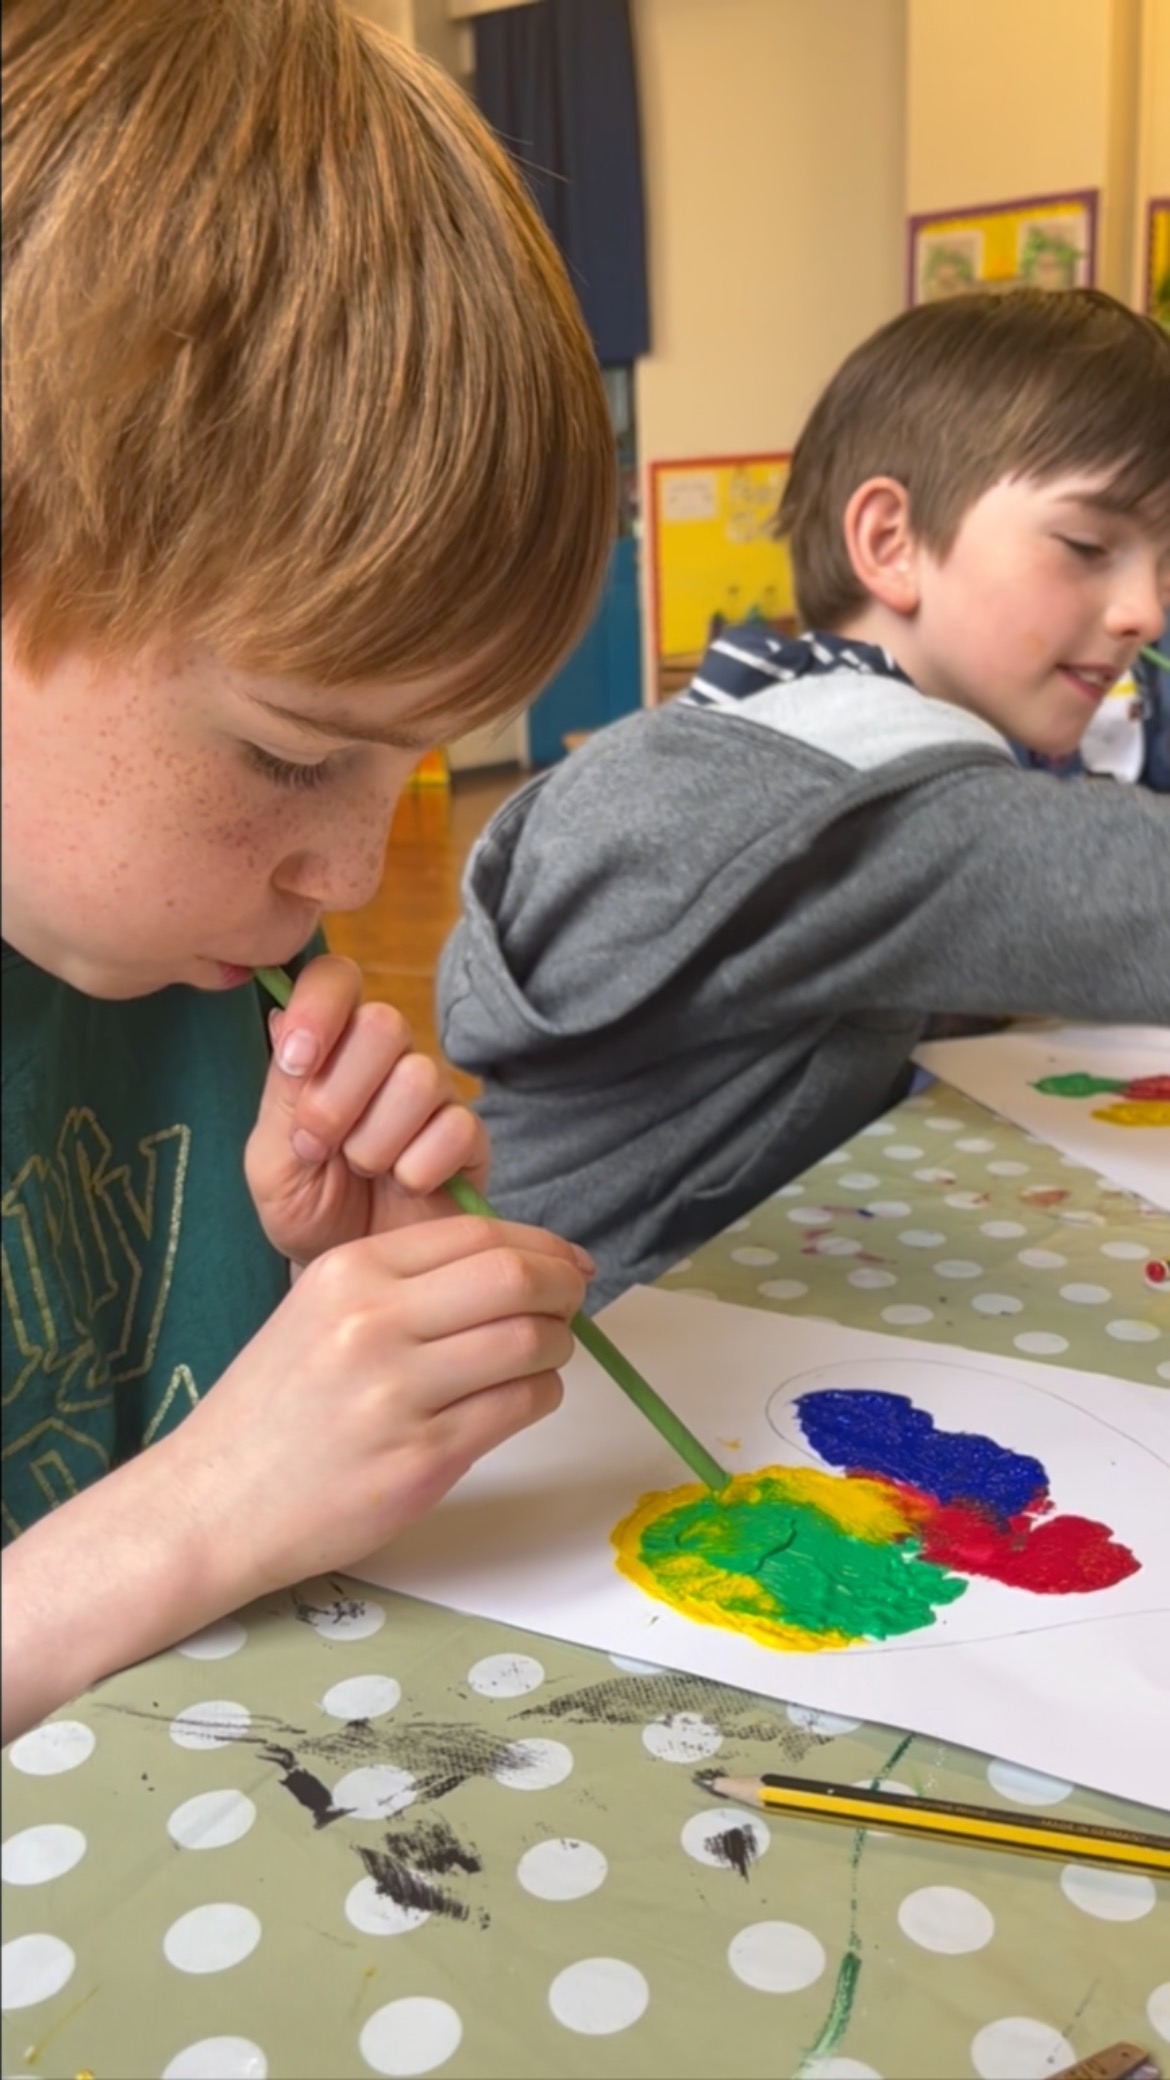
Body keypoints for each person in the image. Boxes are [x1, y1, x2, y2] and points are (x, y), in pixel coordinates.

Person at [0, 0, 618, 1746]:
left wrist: (305, 1292)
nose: (351, 863)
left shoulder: (165, 939)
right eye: (288, 751)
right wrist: (200, 1508)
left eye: (411, 764)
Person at [437, 289, 1170, 1312]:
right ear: (890, 539)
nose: (1143, 609)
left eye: (1164, 565)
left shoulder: (765, 720)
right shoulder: (864, 803)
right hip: (600, 1369)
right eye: (1090, 547)